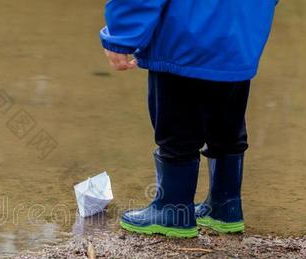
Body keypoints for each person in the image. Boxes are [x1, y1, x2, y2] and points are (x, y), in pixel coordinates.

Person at [100, 0, 277, 237]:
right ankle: (226, 207)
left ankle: (173, 209)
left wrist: (121, 36)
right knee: (227, 126)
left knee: (176, 131)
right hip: (239, 40)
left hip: (183, 42)